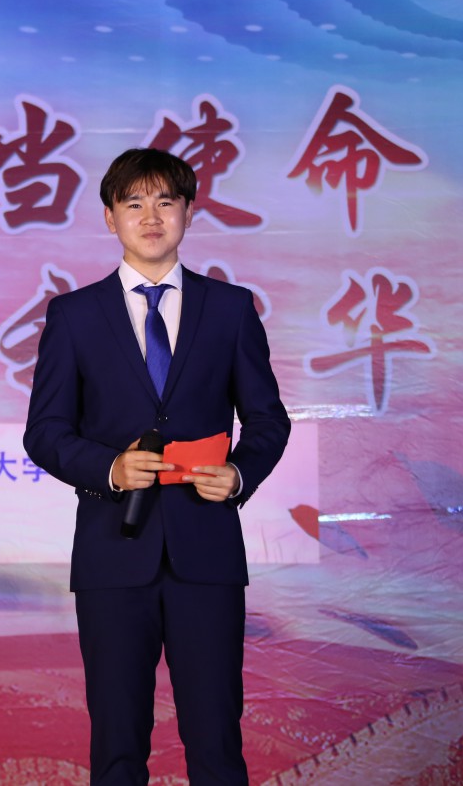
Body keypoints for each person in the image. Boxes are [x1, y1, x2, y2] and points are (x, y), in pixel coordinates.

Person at [23, 148, 291, 785]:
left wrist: (240, 474)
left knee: (216, 740)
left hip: (207, 554)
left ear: (188, 213)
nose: (151, 217)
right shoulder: (74, 316)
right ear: (109, 217)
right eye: (134, 203)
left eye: (166, 202)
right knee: (118, 744)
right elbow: (45, 433)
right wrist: (110, 469)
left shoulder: (230, 309)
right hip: (113, 554)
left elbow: (268, 420)